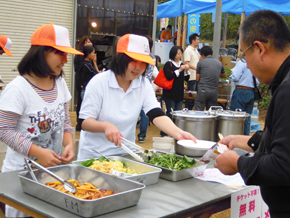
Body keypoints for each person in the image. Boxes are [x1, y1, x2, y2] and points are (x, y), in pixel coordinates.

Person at [0, 23, 83, 217]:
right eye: (59, 54)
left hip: (53, 174)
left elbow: (65, 121)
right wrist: (38, 152)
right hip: (21, 175)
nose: (65, 60)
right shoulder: (18, 88)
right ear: (41, 53)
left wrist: (69, 143)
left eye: (66, 54)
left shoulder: (60, 83)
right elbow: (4, 130)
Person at [214, 10, 290, 217]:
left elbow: (284, 166)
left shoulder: (287, 89)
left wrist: (238, 163)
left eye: (244, 55)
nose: (246, 64)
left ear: (259, 48)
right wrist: (251, 141)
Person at [77, 34, 196, 160]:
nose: (138, 67)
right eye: (133, 61)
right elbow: (84, 122)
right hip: (94, 157)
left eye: (143, 62)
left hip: (125, 155)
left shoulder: (143, 84)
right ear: (118, 58)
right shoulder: (99, 82)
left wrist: (179, 133)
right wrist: (105, 126)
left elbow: (156, 113)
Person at [160, 46, 190, 136]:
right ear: (173, 54)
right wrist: (179, 70)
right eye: (178, 53)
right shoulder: (168, 64)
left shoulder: (181, 64)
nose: (180, 55)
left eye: (181, 53)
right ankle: (165, 131)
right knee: (170, 113)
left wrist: (187, 71)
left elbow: (186, 78)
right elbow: (169, 76)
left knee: (178, 114)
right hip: (170, 93)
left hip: (179, 93)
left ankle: (175, 132)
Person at [229, 60, 259, 135]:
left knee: (236, 115)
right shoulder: (256, 64)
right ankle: (245, 138)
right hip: (251, 92)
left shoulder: (242, 63)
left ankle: (235, 136)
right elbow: (258, 81)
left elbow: (235, 77)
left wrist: (232, 74)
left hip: (240, 90)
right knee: (247, 117)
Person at [194, 46, 226, 111]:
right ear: (212, 54)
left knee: (198, 112)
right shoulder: (219, 63)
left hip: (203, 91)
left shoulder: (200, 63)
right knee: (211, 112)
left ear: (202, 55)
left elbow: (197, 79)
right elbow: (224, 76)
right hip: (214, 92)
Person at [74, 35, 95, 131]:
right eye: (87, 42)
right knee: (82, 103)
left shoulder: (88, 60)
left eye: (90, 42)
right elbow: (80, 70)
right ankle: (80, 123)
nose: (89, 43)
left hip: (85, 83)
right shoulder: (80, 57)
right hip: (82, 83)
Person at [137, 35, 156, 143]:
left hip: (137, 86)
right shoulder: (152, 58)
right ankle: (142, 136)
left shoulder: (139, 57)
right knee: (144, 114)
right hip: (146, 86)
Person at [184, 33, 200, 110]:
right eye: (197, 39)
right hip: (191, 77)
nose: (198, 41)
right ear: (193, 41)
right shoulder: (188, 50)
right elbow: (187, 63)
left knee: (195, 99)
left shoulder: (196, 50)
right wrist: (196, 68)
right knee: (190, 100)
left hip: (197, 77)